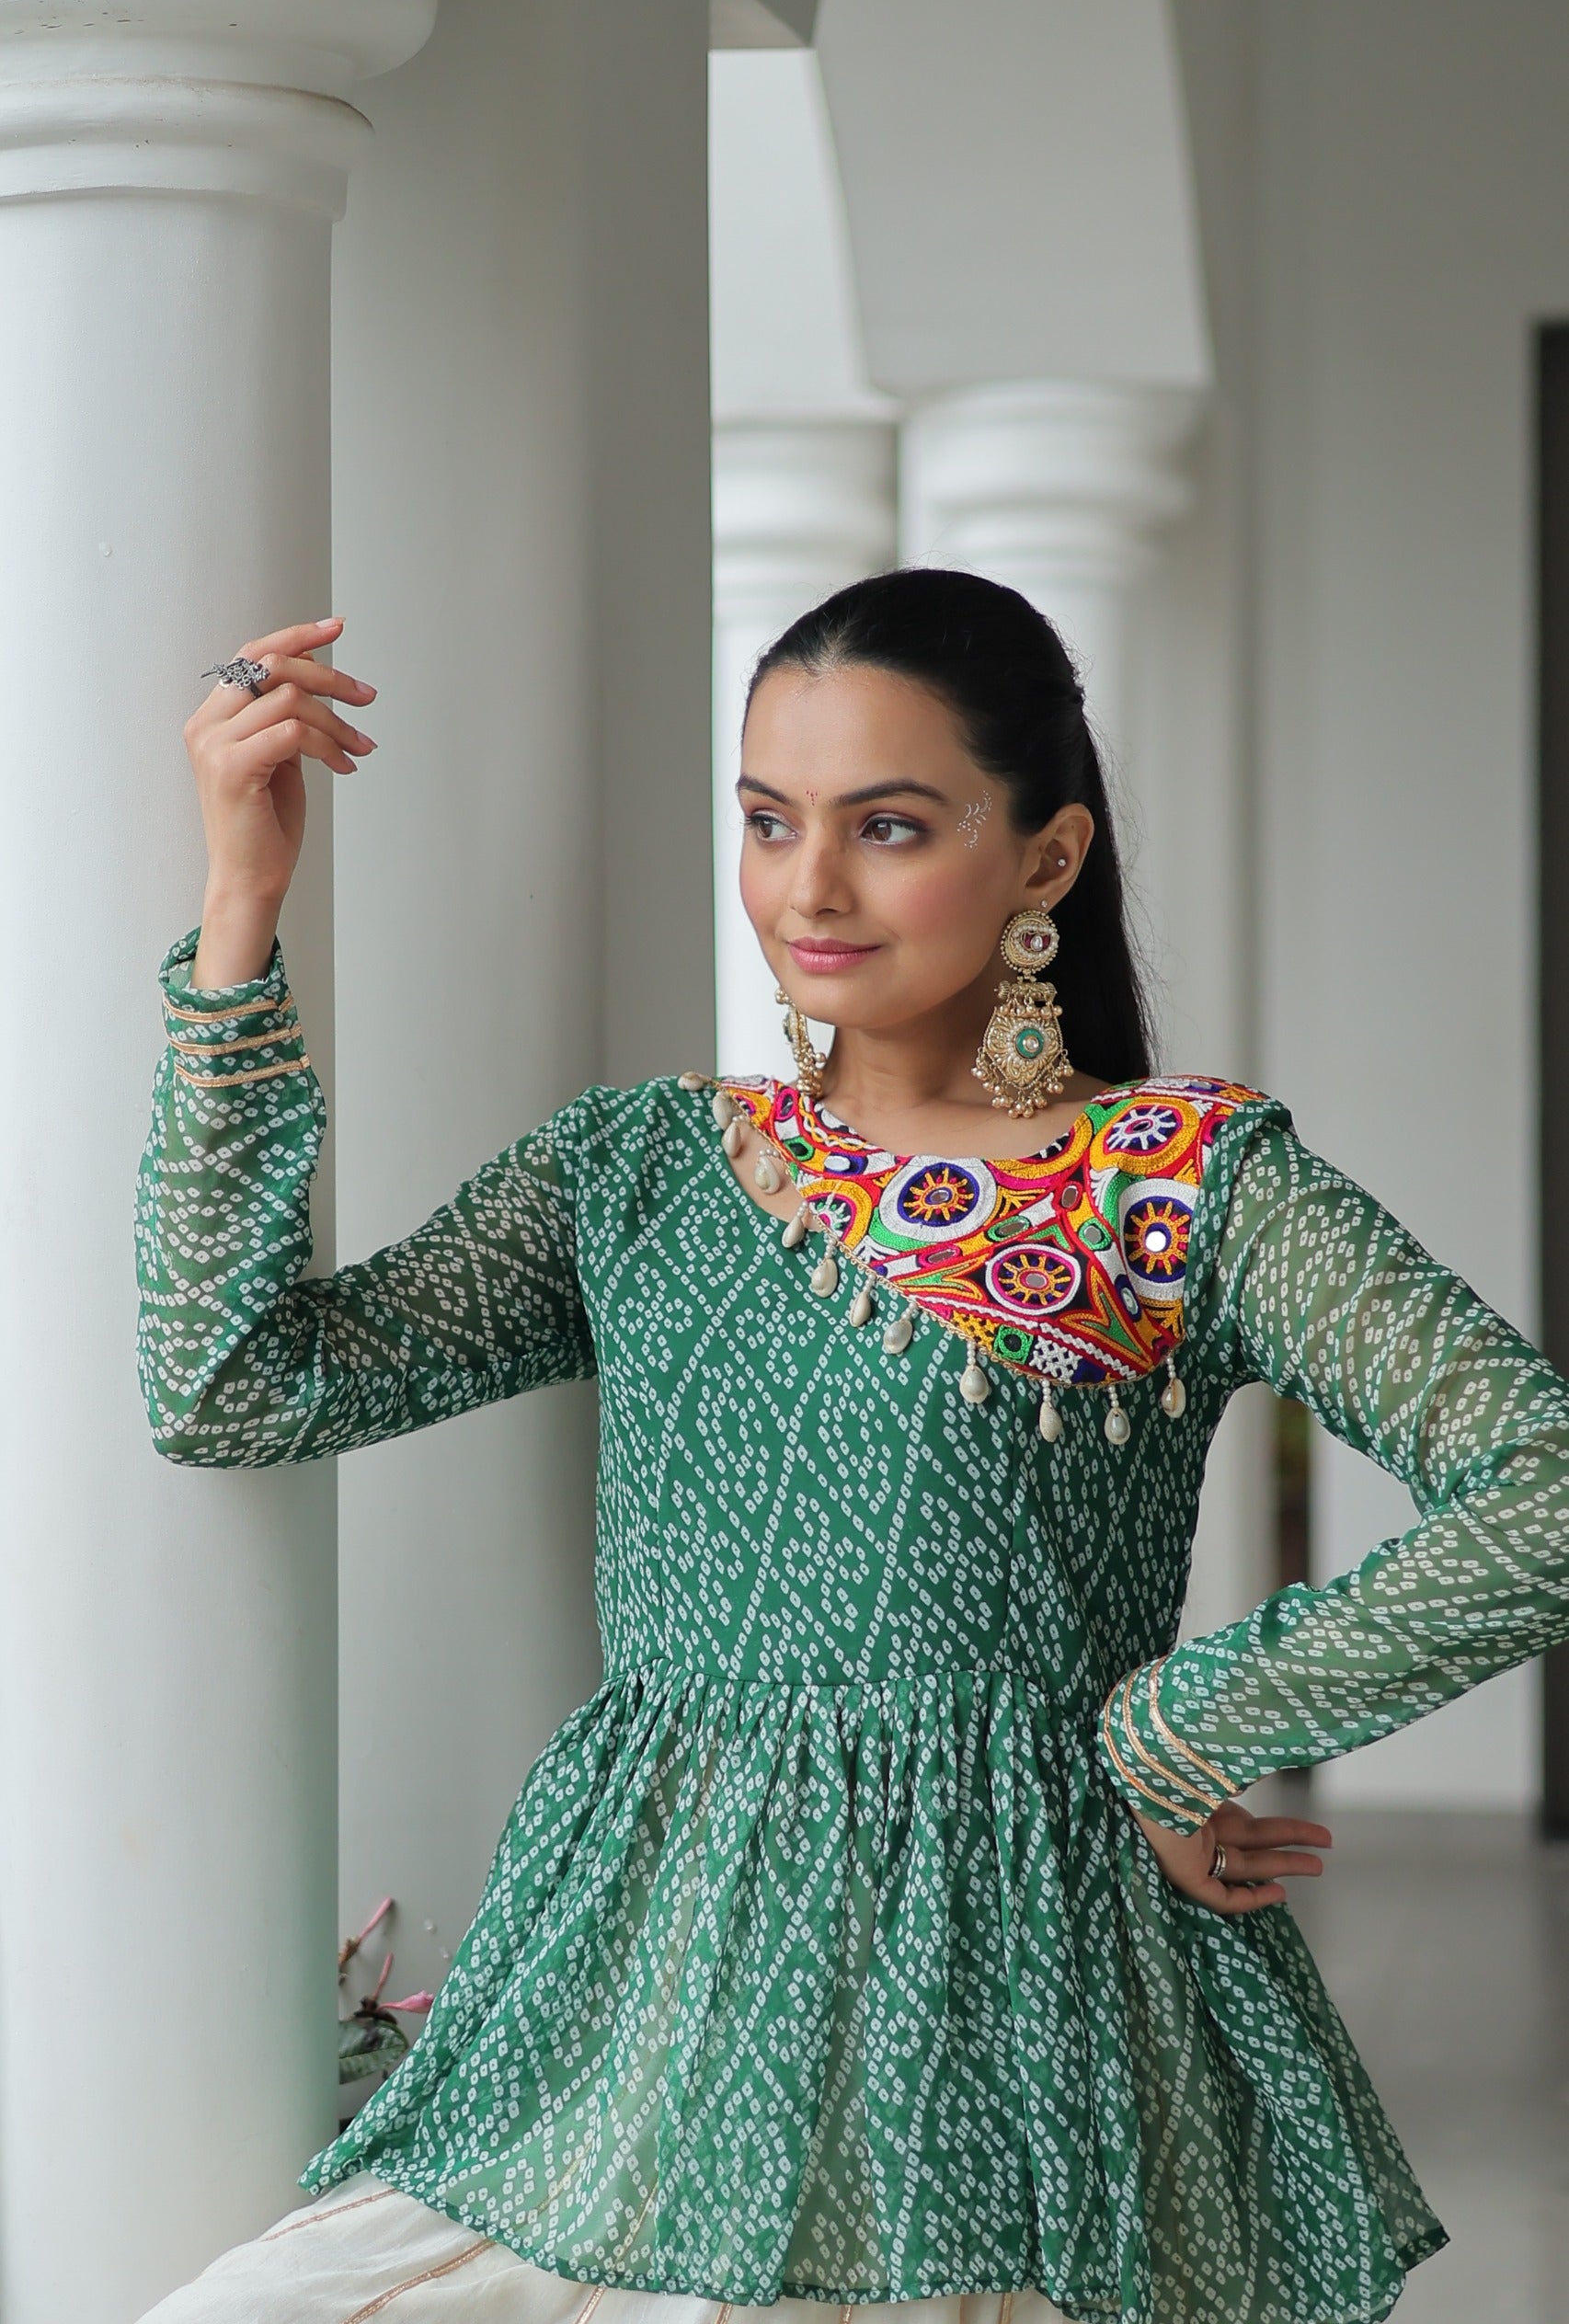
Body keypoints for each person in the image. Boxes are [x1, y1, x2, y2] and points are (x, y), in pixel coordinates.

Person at [134, 568, 1569, 2324]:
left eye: (887, 826)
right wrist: (237, 907)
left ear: (1045, 856)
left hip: (1011, 2035)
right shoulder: (638, 1171)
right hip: (636, 2027)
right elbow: (237, 1388)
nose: (806, 887)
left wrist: (1187, 1730)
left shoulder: (1176, 1185)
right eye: (766, 821)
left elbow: (1541, 1491)